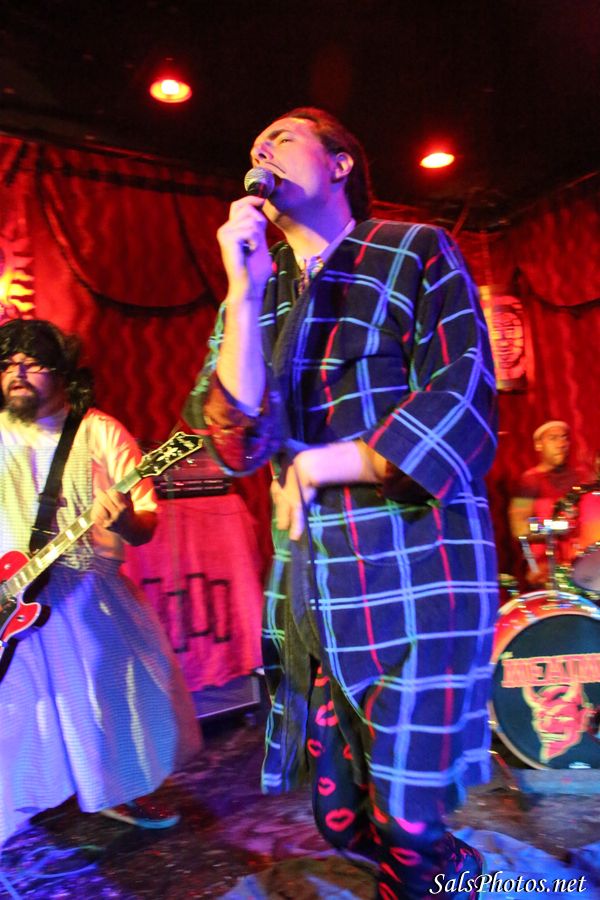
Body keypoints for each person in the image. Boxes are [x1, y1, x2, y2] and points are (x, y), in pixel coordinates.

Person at [183, 108, 498, 899]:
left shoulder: (415, 250)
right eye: (254, 143)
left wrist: (329, 462)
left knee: (407, 820)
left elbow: (463, 392)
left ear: (340, 164)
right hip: (315, 588)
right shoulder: (257, 294)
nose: (261, 147)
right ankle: (452, 871)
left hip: (419, 567)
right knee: (339, 817)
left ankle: (433, 872)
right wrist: (242, 293)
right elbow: (234, 445)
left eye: (283, 137)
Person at [0, 319, 200, 847]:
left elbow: (145, 524)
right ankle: (23, 803)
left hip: (87, 597)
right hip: (8, 606)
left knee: (109, 705)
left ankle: (120, 792)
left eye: (32, 362)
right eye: (8, 364)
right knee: (19, 714)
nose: (17, 373)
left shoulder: (100, 432)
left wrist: (125, 520)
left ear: (63, 370)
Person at [508, 420, 582, 588]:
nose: (561, 444)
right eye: (553, 438)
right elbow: (518, 528)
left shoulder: (581, 477)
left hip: (583, 565)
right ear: (538, 445)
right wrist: (558, 526)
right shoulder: (529, 481)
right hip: (546, 572)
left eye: (564, 437)